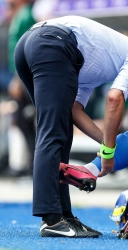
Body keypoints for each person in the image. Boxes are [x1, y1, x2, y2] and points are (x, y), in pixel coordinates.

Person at [14, 15, 128, 238]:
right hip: (52, 43)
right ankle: (52, 220)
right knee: (53, 132)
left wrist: (107, 142)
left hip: (30, 44)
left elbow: (74, 110)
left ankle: (63, 215)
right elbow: (115, 98)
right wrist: (109, 151)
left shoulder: (98, 63)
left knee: (59, 130)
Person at [6, 0, 36, 176]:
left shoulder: (26, 16)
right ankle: (31, 164)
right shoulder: (20, 16)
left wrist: (18, 79)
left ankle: (33, 165)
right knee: (21, 119)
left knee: (25, 119)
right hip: (21, 75)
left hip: (24, 77)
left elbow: (25, 48)